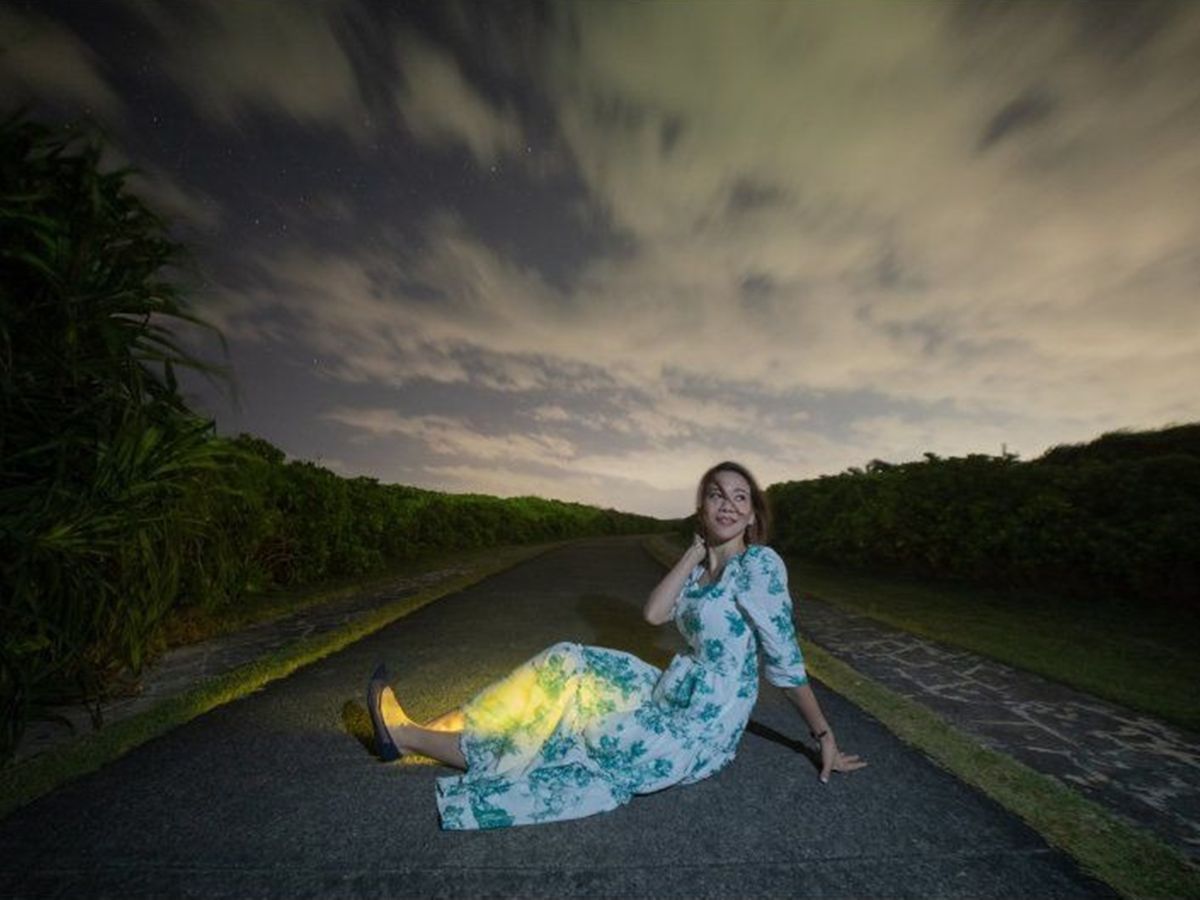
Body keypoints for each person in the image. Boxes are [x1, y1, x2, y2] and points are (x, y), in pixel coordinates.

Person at [366, 461, 866, 829]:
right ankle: (443, 728)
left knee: (581, 734)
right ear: (702, 507)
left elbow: (785, 662)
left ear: (753, 514)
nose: (728, 505)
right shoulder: (698, 573)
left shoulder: (759, 566)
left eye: (740, 497)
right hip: (673, 688)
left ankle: (411, 739)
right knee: (569, 660)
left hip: (704, 722)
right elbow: (654, 613)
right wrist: (694, 553)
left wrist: (823, 734)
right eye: (717, 495)